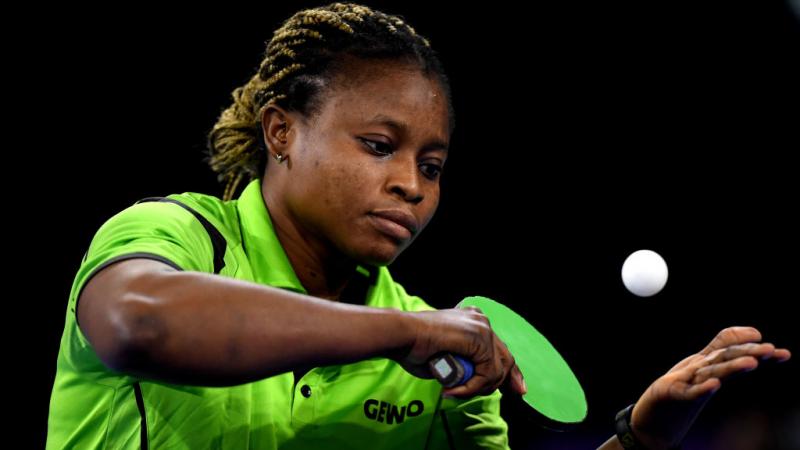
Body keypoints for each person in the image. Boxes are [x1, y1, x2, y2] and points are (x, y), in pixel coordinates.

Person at [46, 3, 791, 450]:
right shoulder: (177, 236)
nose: (410, 183)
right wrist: (400, 335)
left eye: (432, 165)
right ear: (281, 132)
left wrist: (639, 437)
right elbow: (136, 324)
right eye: (378, 147)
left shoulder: (443, 354)